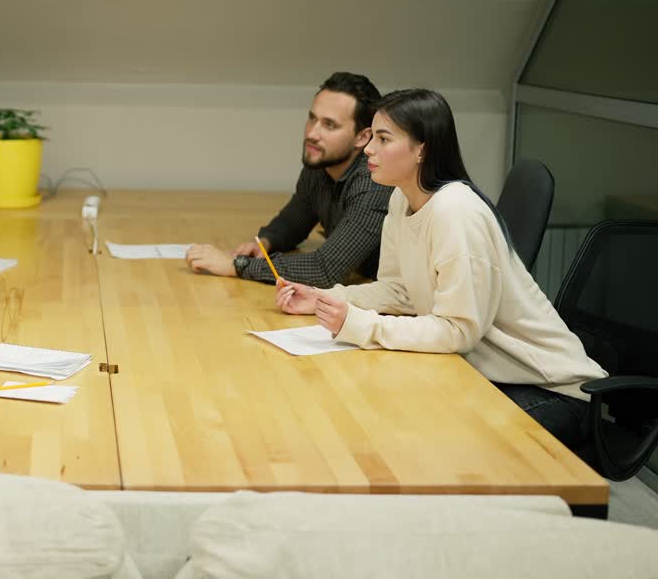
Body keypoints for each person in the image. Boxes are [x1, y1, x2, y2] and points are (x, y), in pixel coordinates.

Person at [275, 88, 606, 450]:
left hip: (552, 391)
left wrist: (359, 325)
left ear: (422, 149)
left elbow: (457, 331)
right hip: (488, 375)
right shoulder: (402, 197)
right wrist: (325, 298)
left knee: (430, 442)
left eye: (383, 139)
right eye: (371, 137)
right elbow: (400, 291)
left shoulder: (455, 212)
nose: (368, 149)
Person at [185, 72, 392, 288]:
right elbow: (294, 221)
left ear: (362, 137)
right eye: (312, 118)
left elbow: (325, 270)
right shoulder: (322, 164)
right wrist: (265, 243)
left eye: (329, 125)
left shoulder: (374, 181)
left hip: (390, 301)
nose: (312, 133)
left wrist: (236, 265)